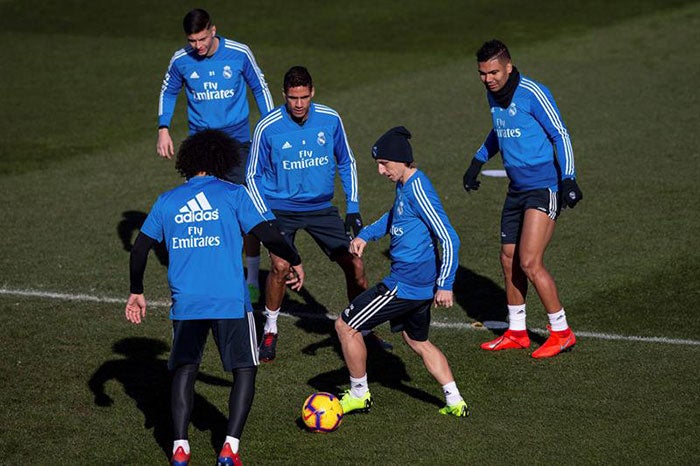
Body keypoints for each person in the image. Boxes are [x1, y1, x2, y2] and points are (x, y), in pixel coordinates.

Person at [125, 130, 304, 466]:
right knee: (245, 369)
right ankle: (229, 448)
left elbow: (139, 249)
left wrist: (137, 291)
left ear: (188, 163)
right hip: (229, 302)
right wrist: (293, 259)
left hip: (186, 303)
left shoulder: (167, 200)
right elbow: (268, 235)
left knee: (185, 371)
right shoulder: (234, 194)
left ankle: (180, 447)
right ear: (223, 160)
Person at [247, 65, 382, 362]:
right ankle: (270, 330)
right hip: (280, 209)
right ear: (284, 95)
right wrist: (266, 217)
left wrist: (354, 206)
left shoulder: (330, 119)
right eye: (293, 98)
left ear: (312, 93)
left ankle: (364, 328)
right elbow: (253, 175)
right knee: (281, 267)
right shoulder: (267, 126)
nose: (298, 104)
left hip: (321, 209)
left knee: (356, 266)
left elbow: (347, 162)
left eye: (304, 97)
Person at [335, 126, 469, 418]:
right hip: (416, 285)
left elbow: (448, 237)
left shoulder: (418, 189)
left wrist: (445, 284)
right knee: (417, 340)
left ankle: (359, 394)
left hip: (405, 285)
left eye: (385, 164)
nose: (381, 171)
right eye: (378, 165)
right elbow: (396, 215)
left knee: (345, 326)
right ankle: (455, 400)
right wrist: (365, 235)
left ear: (401, 159)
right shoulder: (406, 186)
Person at [463, 39, 583, 358]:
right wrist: (477, 161)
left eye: (493, 72)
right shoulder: (493, 93)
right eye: (482, 73)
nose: (488, 79)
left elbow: (560, 133)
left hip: (544, 186)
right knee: (508, 258)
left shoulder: (532, 92)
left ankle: (561, 331)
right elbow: (500, 129)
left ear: (509, 66)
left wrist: (568, 178)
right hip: (515, 188)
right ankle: (517, 331)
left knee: (529, 261)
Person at [157, 8, 274, 303]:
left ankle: (250, 276)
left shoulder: (238, 53)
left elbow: (259, 86)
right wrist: (163, 127)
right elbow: (169, 91)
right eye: (191, 40)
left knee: (243, 209)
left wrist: (272, 125)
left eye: (201, 39)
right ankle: (214, 272)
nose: (197, 46)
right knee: (206, 209)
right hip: (201, 146)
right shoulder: (181, 60)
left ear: (213, 30)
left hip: (236, 143)